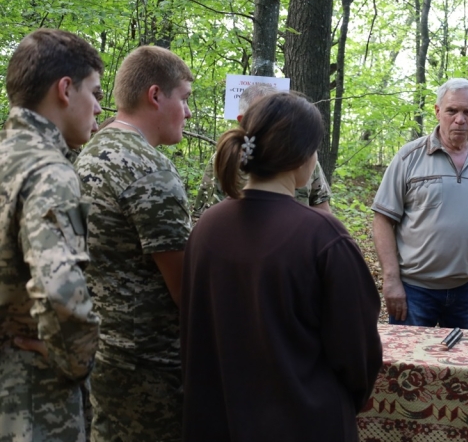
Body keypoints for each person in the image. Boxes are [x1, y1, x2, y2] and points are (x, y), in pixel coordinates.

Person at [182, 91, 382, 441]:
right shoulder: (323, 237)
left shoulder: (206, 227)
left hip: (220, 419)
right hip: (305, 422)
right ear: (304, 155)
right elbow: (358, 352)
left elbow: (193, 330)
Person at [75, 46, 193, 442]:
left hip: (97, 357)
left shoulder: (88, 153)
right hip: (150, 372)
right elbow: (186, 291)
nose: (189, 113)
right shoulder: (149, 170)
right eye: (185, 99)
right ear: (156, 95)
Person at [0, 29, 103, 441]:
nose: (98, 106)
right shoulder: (49, 173)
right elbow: (62, 293)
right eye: (94, 92)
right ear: (65, 89)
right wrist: (77, 361)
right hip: (31, 398)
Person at [372, 78, 468, 329]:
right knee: (410, 364)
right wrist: (391, 279)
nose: (460, 119)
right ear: (438, 111)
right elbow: (383, 219)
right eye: (452, 110)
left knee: (466, 367)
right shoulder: (409, 157)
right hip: (414, 291)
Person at [192, 83, 332, 221]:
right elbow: (208, 216)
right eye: (262, 117)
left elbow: (322, 208)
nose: (270, 124)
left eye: (276, 118)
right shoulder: (227, 157)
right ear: (242, 120)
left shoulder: (302, 158)